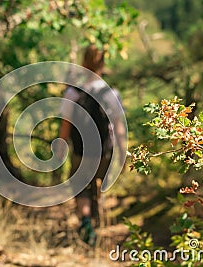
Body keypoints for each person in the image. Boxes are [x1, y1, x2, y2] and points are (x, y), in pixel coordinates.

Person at [57, 45, 126, 246]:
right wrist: (122, 154)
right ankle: (94, 225)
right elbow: (119, 129)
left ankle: (86, 223)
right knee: (97, 186)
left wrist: (61, 148)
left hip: (80, 150)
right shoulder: (111, 93)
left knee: (80, 187)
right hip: (104, 151)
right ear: (103, 64)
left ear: (84, 63)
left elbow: (65, 125)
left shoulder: (73, 92)